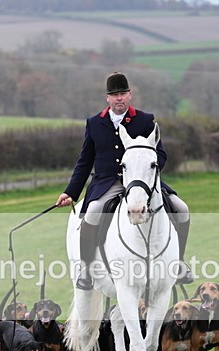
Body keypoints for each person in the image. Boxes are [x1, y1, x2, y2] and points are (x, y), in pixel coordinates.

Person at [56, 72, 193, 290]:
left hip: (141, 182)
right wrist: (71, 193)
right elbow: (85, 161)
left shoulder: (145, 120)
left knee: (182, 208)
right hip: (107, 183)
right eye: (114, 95)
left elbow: (161, 155)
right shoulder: (94, 123)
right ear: (107, 98)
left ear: (130, 95)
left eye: (123, 94)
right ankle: (85, 267)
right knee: (92, 213)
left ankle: (179, 263)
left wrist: (147, 170)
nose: (119, 98)